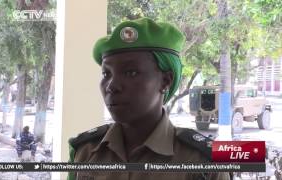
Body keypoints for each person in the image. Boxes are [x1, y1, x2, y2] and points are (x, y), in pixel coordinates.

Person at [68, 18, 230, 180]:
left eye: (131, 72)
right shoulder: (85, 152)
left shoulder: (203, 163)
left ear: (166, 81)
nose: (112, 86)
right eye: (106, 74)